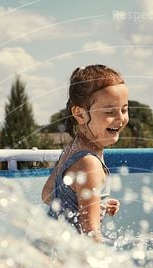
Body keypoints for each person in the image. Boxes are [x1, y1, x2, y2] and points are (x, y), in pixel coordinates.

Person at [41, 65, 125, 240]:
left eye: (124, 109)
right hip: (63, 260)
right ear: (80, 114)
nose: (120, 118)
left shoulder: (73, 148)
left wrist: (96, 204)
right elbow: (91, 234)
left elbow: (48, 195)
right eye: (109, 111)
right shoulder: (89, 163)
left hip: (50, 247)